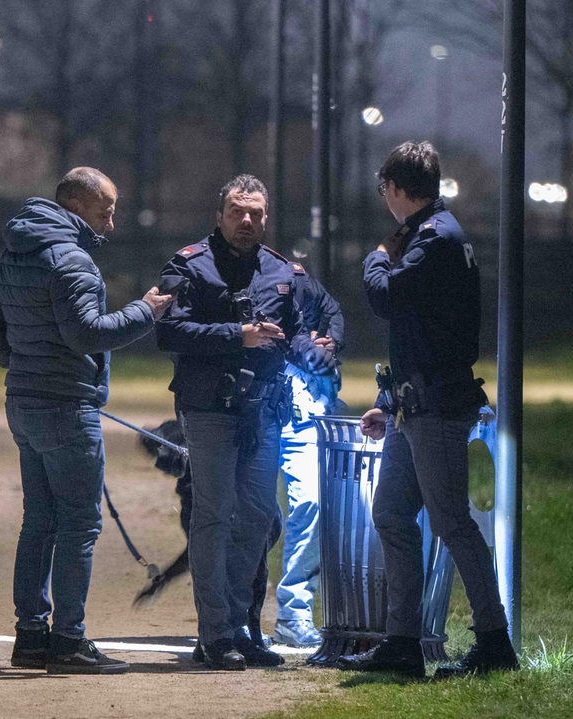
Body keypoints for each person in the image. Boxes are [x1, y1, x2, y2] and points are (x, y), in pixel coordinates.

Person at [0, 167, 173, 675]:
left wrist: (17, 362)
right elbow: (87, 334)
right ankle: (69, 641)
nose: (111, 221)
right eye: (105, 211)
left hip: (25, 402)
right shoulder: (71, 260)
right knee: (79, 525)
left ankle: (30, 635)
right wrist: (145, 312)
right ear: (77, 206)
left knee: (38, 522)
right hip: (66, 407)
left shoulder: (17, 252)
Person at [340, 142, 519, 678]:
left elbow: (387, 297)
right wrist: (387, 400)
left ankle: (493, 641)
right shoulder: (435, 235)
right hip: (413, 405)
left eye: (384, 190)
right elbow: (421, 330)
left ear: (395, 188)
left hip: (437, 406)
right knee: (392, 513)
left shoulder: (434, 239)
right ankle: (402, 641)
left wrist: (375, 257)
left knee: (451, 523)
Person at [156, 174, 318, 670]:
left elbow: (307, 325)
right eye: (237, 212)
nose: (247, 221)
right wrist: (237, 335)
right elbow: (168, 331)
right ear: (219, 214)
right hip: (208, 410)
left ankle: (239, 627)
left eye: (256, 213)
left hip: (264, 411)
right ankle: (215, 633)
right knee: (214, 514)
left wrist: (318, 346)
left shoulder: (281, 272)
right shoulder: (189, 265)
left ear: (267, 217)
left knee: (256, 519)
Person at [271, 270, 344, 648]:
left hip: (306, 417)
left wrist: (331, 344)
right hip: (259, 415)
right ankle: (233, 621)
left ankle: (293, 615)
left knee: (312, 504)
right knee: (253, 519)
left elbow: (333, 311)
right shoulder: (242, 276)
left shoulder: (298, 279)